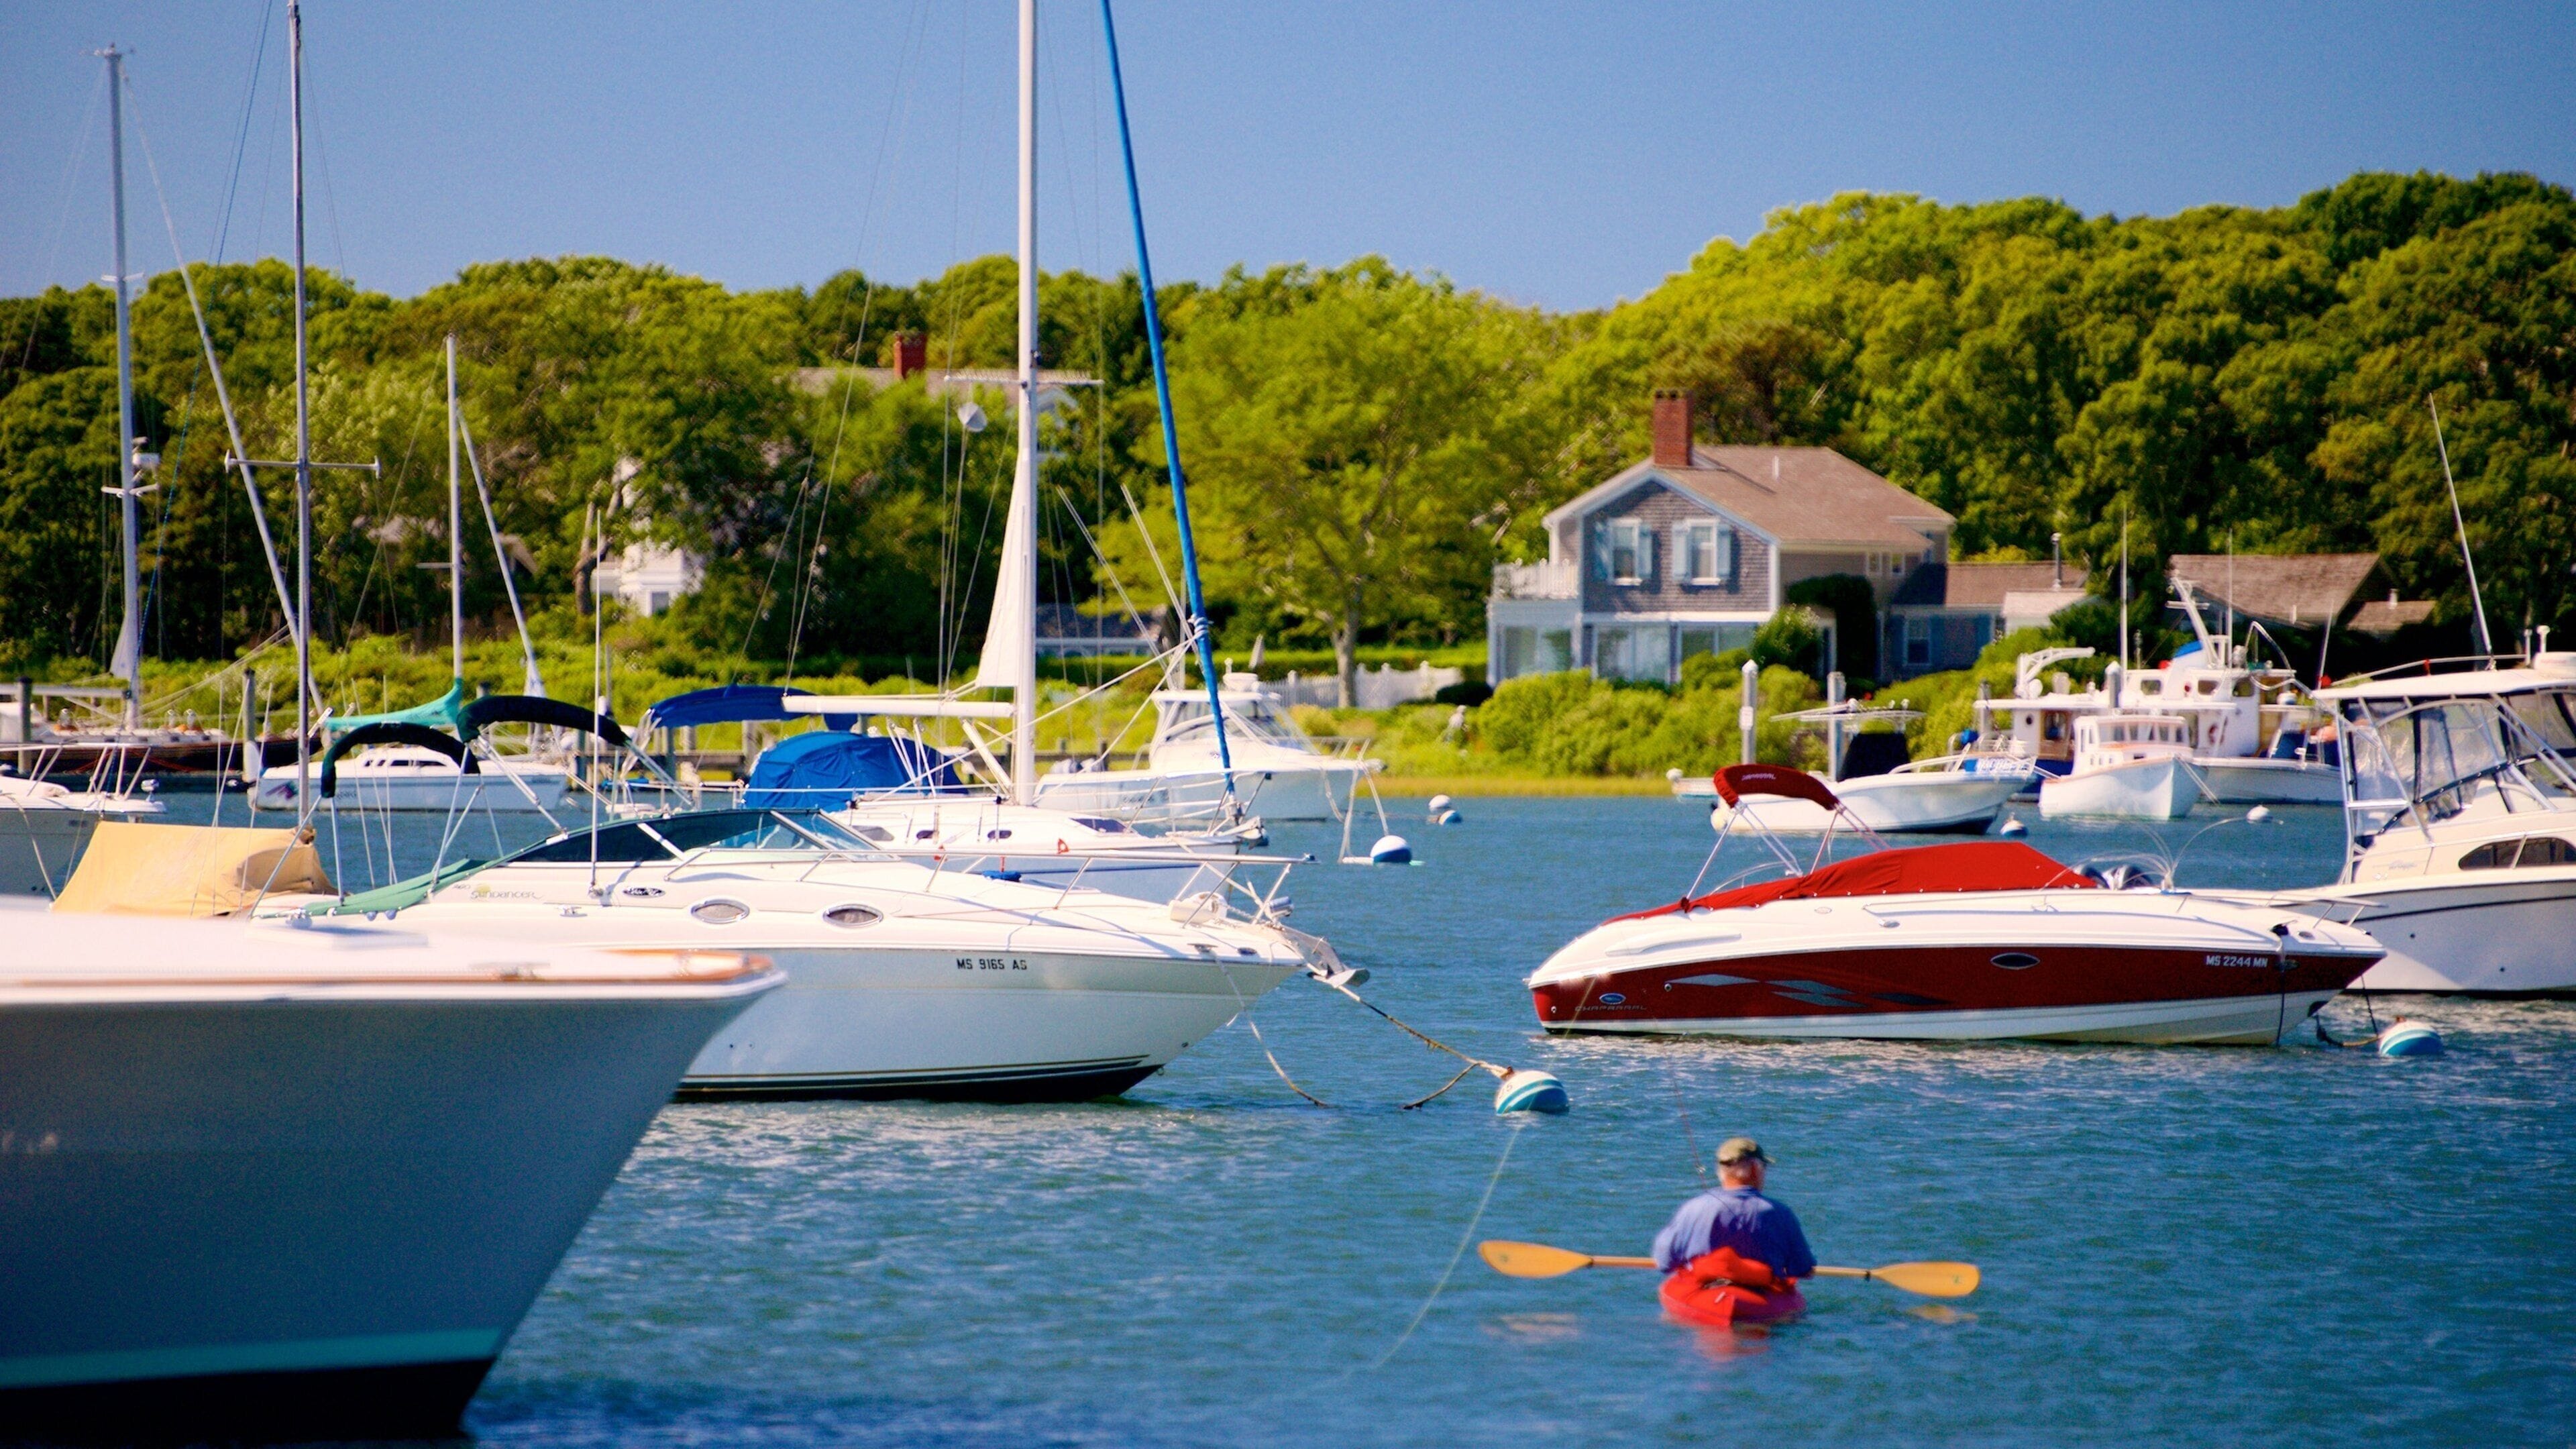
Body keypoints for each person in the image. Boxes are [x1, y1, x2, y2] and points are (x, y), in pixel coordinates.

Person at [1652, 1137, 1817, 1283]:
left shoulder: (1693, 1208)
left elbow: (1665, 1261)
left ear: (1721, 1171)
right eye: (1764, 1167)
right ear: (1755, 1169)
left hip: (1707, 1292)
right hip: (1761, 1298)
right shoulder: (1780, 1212)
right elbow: (1803, 1268)